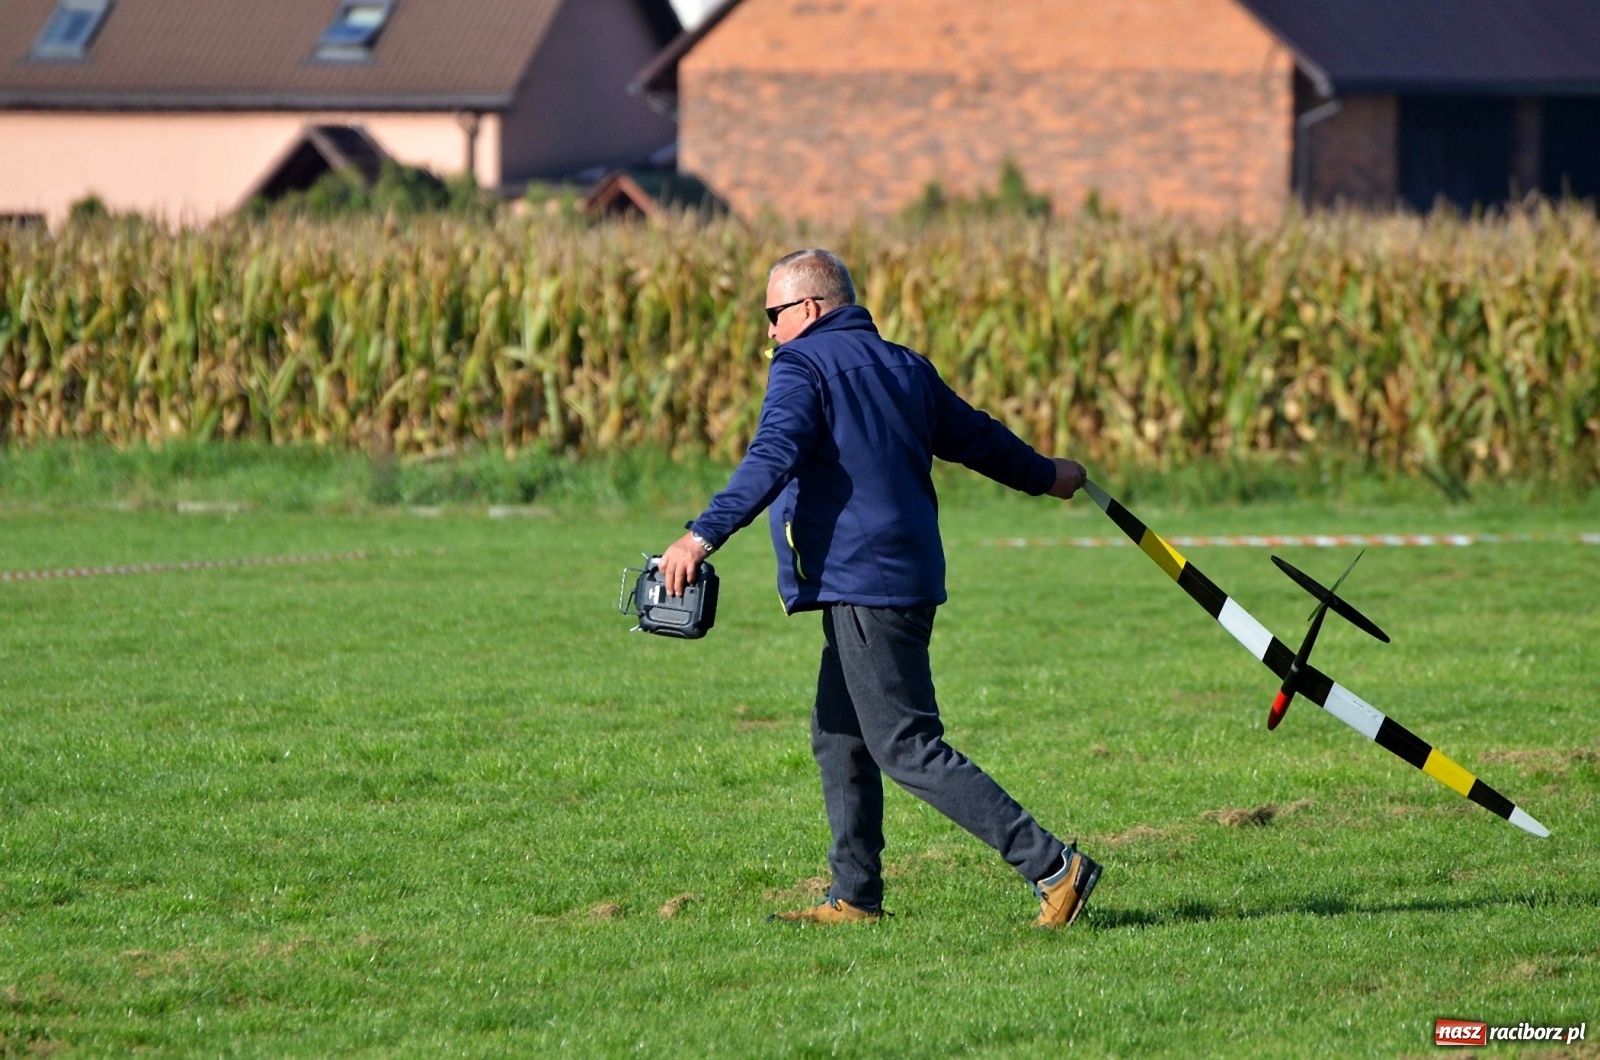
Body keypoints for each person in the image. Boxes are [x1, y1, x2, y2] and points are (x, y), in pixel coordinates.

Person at [658, 249, 1099, 928]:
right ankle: (856, 897)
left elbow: (771, 456)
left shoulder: (802, 366)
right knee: (839, 733)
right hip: (900, 575)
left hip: (865, 582)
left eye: (774, 315)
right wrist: (1045, 474)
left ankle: (1053, 867)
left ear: (810, 308)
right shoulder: (906, 366)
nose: (768, 332)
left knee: (905, 744)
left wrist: (700, 535)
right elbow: (979, 439)